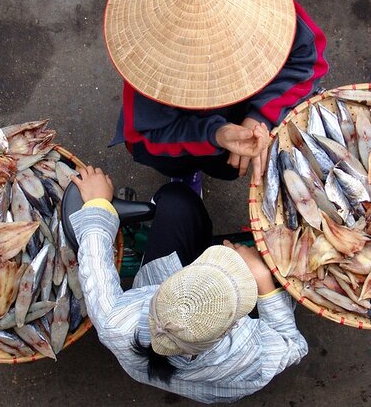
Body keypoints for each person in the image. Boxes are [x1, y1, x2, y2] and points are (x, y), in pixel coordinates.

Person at [70, 165, 307, 403]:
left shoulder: (116, 322)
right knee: (183, 205)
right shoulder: (248, 353)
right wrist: (264, 283)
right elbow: (292, 345)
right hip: (217, 389)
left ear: (167, 286)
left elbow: (95, 267)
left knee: (175, 197)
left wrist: (98, 204)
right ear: (230, 328)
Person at [105, 0, 329, 190]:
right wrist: (216, 133)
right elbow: (149, 135)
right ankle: (185, 175)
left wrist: (260, 115)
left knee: (227, 166)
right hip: (187, 131)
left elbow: (306, 59)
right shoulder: (149, 67)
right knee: (181, 162)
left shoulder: (268, 6)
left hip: (247, 106)